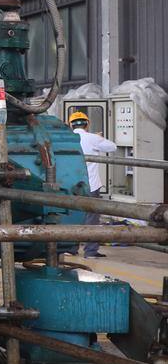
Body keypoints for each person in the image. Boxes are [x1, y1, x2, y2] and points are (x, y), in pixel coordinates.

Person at [68, 111, 117, 259]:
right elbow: (112, 147)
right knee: (92, 217)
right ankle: (90, 252)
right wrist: (99, 138)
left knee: (73, 216)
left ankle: (70, 248)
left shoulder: (67, 138)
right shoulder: (93, 138)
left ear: (71, 125)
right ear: (87, 124)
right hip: (91, 185)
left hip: (72, 184)